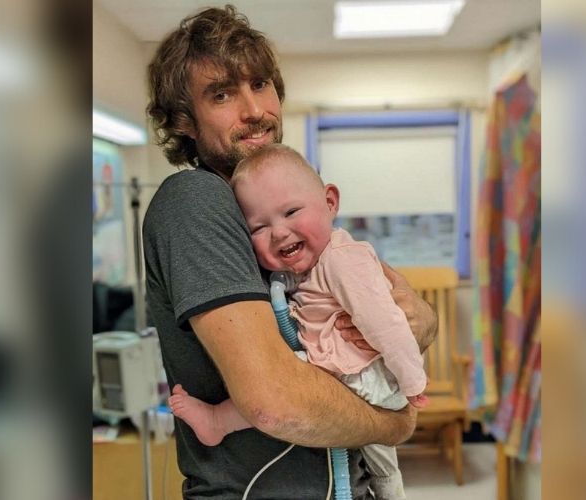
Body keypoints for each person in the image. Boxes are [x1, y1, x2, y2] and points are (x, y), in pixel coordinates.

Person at [143, 5, 437, 499]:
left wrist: (425, 320)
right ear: (183, 121)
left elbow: (394, 304)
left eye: (261, 84)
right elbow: (274, 402)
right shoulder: (196, 200)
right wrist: (393, 425)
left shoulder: (274, 197)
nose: (255, 109)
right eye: (222, 94)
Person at [168, 144, 430, 499]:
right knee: (384, 468)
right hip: (350, 367)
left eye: (291, 211)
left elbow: (387, 325)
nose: (278, 232)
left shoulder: (343, 261)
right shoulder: (307, 268)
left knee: (282, 377)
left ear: (330, 203)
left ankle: (218, 422)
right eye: (258, 226)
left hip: (363, 373)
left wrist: (413, 381)